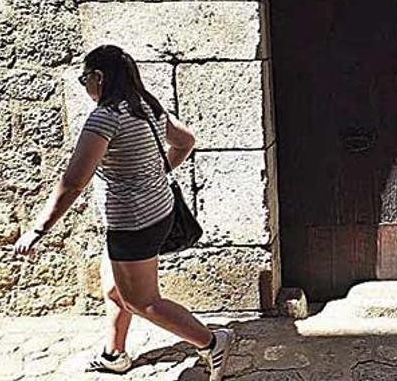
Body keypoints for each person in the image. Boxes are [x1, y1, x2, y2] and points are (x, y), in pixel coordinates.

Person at [13, 45, 234, 380]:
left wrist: (38, 230)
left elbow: (73, 183)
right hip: (159, 211)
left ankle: (212, 341)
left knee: (142, 302)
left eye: (84, 77)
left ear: (98, 77)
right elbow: (186, 141)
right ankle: (114, 353)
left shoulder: (105, 118)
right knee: (113, 288)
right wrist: (158, 174)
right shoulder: (147, 106)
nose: (84, 85)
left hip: (133, 223)